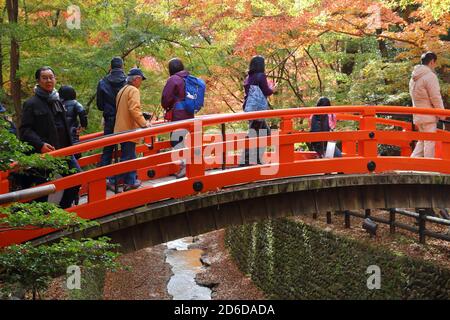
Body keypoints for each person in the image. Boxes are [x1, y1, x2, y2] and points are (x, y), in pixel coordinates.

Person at [19, 66, 80, 208]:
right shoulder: (31, 104)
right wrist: (40, 145)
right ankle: (42, 222)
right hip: (46, 153)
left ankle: (62, 210)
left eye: (51, 77)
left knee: (76, 179)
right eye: (44, 78)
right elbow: (25, 130)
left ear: (55, 79)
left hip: (64, 151)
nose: (48, 80)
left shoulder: (58, 100)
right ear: (38, 81)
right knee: (43, 189)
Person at [113, 68, 150, 192]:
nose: (141, 83)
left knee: (129, 156)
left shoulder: (122, 90)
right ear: (137, 79)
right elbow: (134, 109)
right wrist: (144, 124)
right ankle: (113, 180)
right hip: (128, 129)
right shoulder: (133, 90)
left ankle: (130, 181)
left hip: (120, 128)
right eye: (141, 80)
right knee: (127, 157)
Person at [409, 52, 445, 158]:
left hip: (418, 113)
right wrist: (442, 113)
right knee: (429, 142)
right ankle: (429, 170)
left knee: (422, 141)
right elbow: (435, 97)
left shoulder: (413, 77)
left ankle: (411, 165)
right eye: (434, 63)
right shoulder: (430, 76)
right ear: (432, 62)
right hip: (428, 114)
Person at [241, 55, 275, 166]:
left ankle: (256, 158)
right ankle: (246, 160)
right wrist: (273, 89)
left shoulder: (249, 78)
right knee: (254, 133)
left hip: (250, 108)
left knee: (264, 132)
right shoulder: (261, 76)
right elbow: (266, 91)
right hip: (257, 109)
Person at [161, 58, 191, 178]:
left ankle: (185, 166)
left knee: (176, 140)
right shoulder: (188, 78)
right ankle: (188, 165)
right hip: (189, 113)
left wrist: (167, 106)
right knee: (183, 139)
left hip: (179, 114)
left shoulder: (174, 79)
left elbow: (166, 99)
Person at [96, 57, 127, 167]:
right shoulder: (128, 81)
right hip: (125, 119)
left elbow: (100, 105)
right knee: (127, 148)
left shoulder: (102, 82)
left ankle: (103, 179)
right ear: (122, 66)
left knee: (108, 148)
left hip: (110, 118)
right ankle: (126, 178)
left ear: (110, 67)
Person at [58, 85, 87, 159]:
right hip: (73, 130)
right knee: (74, 148)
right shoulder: (75, 103)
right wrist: (83, 125)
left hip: (60, 131)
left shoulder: (58, 104)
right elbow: (82, 112)